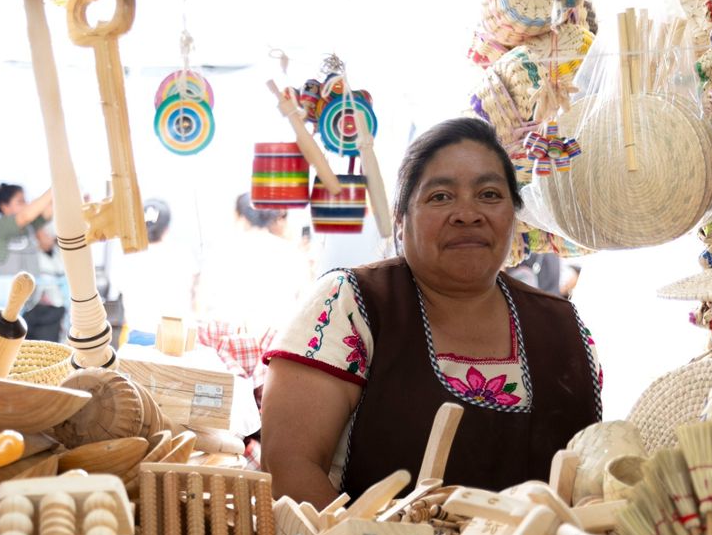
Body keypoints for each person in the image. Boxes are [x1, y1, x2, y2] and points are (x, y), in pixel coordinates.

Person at [259, 117, 602, 506]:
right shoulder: (349, 304)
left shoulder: (563, 328)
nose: (468, 213)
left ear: (514, 214)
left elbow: (591, 487)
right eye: (440, 196)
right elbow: (288, 467)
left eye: (489, 194)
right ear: (401, 220)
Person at [193, 195, 311, 388]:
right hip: (271, 360)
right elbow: (302, 309)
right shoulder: (293, 254)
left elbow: (201, 304)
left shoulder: (222, 247)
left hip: (221, 355)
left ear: (238, 215)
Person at [116, 199, 196, 346]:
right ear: (167, 228)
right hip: (175, 338)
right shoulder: (182, 254)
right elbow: (193, 294)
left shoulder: (128, 254)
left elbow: (119, 289)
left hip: (137, 336)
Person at [0, 182, 54, 315]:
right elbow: (26, 216)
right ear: (4, 206)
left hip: (28, 304)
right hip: (2, 306)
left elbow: (48, 211)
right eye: (20, 202)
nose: (26, 205)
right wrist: (55, 185)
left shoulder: (29, 227)